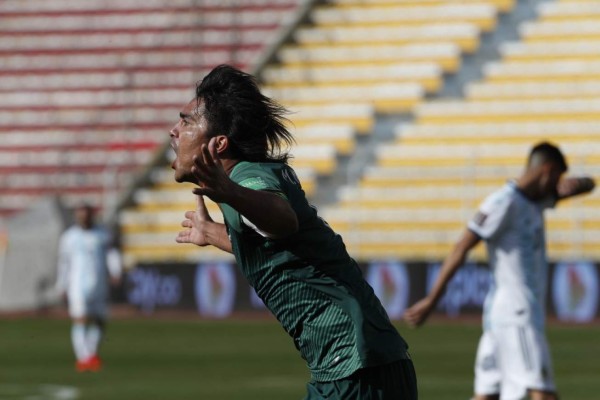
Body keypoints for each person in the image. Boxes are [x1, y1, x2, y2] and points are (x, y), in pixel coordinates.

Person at [171, 64, 418, 399]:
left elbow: (283, 220)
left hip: (352, 365)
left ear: (219, 144)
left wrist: (228, 192)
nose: (174, 131)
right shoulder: (255, 176)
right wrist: (213, 232)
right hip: (365, 361)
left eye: (186, 121)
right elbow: (280, 244)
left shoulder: (246, 180)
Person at [404, 142, 595, 400]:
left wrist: (575, 183)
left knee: (486, 396)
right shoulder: (503, 202)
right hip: (518, 315)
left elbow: (588, 184)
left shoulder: (535, 201)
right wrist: (432, 300)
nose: (556, 187)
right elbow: (462, 246)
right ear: (547, 171)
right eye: (556, 178)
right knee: (544, 393)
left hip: (498, 318)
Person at [56, 204, 122, 372]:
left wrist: (115, 270)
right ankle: (83, 358)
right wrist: (62, 284)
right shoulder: (69, 237)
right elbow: (64, 263)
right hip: (77, 284)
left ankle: (91, 355)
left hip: (99, 283)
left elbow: (111, 254)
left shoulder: (102, 234)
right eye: (80, 215)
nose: (83, 218)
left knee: (100, 320)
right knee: (80, 319)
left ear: (91, 216)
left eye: (86, 215)